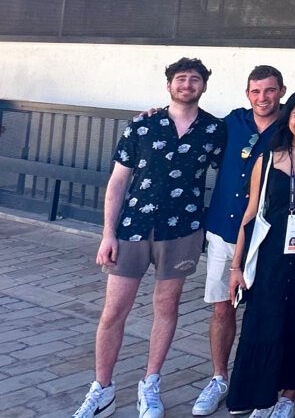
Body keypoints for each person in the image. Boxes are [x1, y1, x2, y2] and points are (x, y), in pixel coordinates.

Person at [71, 58, 227, 418]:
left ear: (204, 86)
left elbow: (235, 169)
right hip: (132, 228)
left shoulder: (215, 130)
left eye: (195, 79)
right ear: (169, 84)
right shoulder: (142, 125)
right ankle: (103, 389)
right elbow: (117, 182)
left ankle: (150, 383)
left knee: (166, 307)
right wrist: (107, 234)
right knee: (113, 311)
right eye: (181, 79)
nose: (187, 84)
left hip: (183, 229)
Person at [226, 90, 295, 418]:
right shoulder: (269, 158)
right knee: (266, 323)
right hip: (273, 256)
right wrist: (236, 266)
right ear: (288, 118)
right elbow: (250, 213)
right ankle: (262, 397)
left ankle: (288, 398)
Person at [192, 66, 287, 417]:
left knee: (267, 314)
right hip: (225, 230)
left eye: (270, 90)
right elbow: (187, 123)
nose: (263, 97)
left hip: (268, 237)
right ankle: (219, 378)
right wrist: (155, 113)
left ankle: (266, 387)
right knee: (222, 307)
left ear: (281, 91)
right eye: (256, 91)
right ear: (248, 94)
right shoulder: (229, 124)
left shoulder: (291, 126)